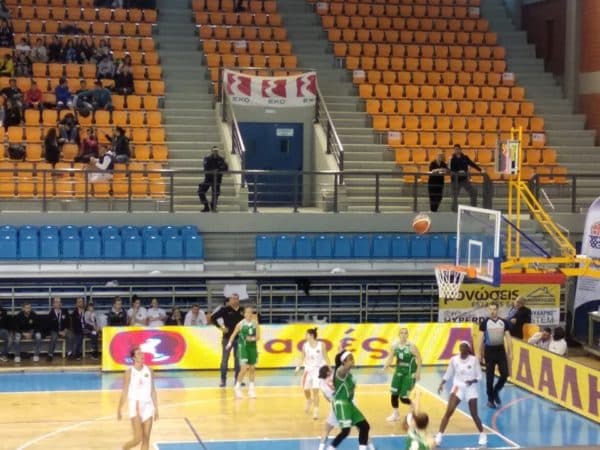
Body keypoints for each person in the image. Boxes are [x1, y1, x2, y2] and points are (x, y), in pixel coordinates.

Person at [435, 341, 486, 447]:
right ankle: (439, 436)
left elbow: (480, 376)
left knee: (474, 414)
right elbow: (448, 373)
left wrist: (472, 381)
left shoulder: (474, 360)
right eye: (460, 346)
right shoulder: (454, 360)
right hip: (458, 387)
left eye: (464, 346)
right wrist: (442, 383)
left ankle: (482, 434)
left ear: (468, 349)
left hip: (471, 388)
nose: (461, 348)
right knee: (449, 411)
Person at [317, 365, 376, 450]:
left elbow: (326, 398)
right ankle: (371, 447)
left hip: (335, 406)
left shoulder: (321, 383)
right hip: (346, 404)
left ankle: (321, 448)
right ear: (328, 372)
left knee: (327, 429)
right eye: (330, 369)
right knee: (360, 428)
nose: (332, 369)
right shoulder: (336, 377)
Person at [326, 350, 371, 450]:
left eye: (352, 358)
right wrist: (344, 363)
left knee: (364, 426)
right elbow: (341, 369)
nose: (352, 360)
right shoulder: (340, 371)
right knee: (346, 431)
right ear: (343, 362)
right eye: (350, 359)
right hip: (341, 403)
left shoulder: (349, 374)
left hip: (349, 404)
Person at [117, 347, 159, 450]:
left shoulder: (149, 370)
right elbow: (124, 392)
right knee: (137, 439)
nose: (142, 355)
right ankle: (124, 448)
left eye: (142, 353)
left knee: (146, 438)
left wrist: (156, 408)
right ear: (133, 358)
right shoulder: (129, 372)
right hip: (135, 405)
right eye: (139, 354)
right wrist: (119, 408)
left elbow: (153, 390)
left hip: (148, 406)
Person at [382, 327, 422, 422]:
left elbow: (419, 359)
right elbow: (390, 358)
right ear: (399, 335)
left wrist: (418, 372)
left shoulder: (412, 346)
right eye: (401, 333)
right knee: (394, 394)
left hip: (409, 374)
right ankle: (395, 414)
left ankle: (413, 405)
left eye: (405, 333)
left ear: (407, 335)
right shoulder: (394, 346)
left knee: (403, 398)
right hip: (398, 372)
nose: (403, 334)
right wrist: (385, 366)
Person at [478, 302, 512, 408]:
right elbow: (480, 340)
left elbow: (508, 338)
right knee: (490, 378)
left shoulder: (504, 322)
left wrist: (510, 352)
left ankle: (496, 390)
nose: (492, 311)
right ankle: (490, 400)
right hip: (489, 352)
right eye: (490, 309)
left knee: (505, 374)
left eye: (494, 309)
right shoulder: (484, 323)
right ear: (488, 310)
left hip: (500, 351)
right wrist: (480, 354)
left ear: (498, 310)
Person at [295, 327, 331, 419]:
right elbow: (302, 357)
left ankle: (316, 411)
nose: (305, 336)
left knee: (315, 391)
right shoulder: (305, 346)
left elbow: (326, 357)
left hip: (318, 371)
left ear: (311, 335)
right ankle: (309, 400)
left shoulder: (321, 345)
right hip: (308, 370)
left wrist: (330, 368)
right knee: (306, 389)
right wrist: (298, 367)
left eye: (306, 334)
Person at [211, 293, 244, 387]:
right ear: (229, 300)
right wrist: (221, 327)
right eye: (233, 299)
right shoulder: (225, 309)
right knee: (225, 360)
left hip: (239, 338)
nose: (234, 300)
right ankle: (223, 380)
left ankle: (237, 380)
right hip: (227, 338)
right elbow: (213, 318)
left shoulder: (242, 310)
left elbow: (248, 320)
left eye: (236, 299)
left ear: (238, 300)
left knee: (238, 360)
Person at [227, 305, 260, 398]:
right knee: (244, 368)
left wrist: (252, 339)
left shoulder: (255, 323)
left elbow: (258, 337)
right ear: (244, 314)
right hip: (243, 347)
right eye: (247, 312)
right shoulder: (240, 324)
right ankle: (237, 387)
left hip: (252, 347)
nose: (249, 314)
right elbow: (233, 334)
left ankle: (251, 390)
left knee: (252, 368)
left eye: (251, 312)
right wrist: (229, 343)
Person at [449, 144, 483, 212]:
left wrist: (480, 170)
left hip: (464, 179)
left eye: (458, 149)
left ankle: (473, 208)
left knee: (473, 192)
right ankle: (454, 210)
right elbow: (451, 169)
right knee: (454, 196)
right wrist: (458, 171)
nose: (457, 150)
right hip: (455, 180)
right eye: (455, 149)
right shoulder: (452, 159)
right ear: (454, 150)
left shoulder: (465, 157)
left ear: (460, 149)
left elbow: (472, 164)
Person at [198, 146, 228, 212]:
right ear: (211, 151)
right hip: (208, 178)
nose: (215, 152)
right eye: (214, 151)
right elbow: (206, 168)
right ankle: (206, 206)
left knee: (216, 193)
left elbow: (226, 169)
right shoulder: (207, 158)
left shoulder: (221, 159)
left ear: (218, 151)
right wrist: (214, 170)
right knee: (200, 191)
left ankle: (213, 206)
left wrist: (219, 169)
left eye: (216, 151)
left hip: (217, 179)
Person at [47, 297, 69, 361]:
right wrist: (59, 332)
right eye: (56, 302)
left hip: (63, 330)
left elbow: (68, 322)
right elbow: (50, 326)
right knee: (54, 337)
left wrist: (65, 330)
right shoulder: (51, 313)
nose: (58, 303)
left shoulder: (65, 311)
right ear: (53, 304)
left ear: (61, 303)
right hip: (54, 330)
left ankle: (70, 353)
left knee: (70, 335)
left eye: (59, 302)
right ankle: (50, 354)